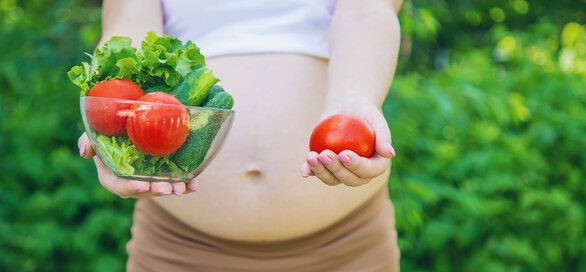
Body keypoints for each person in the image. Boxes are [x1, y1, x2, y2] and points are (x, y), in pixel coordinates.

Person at [77, 0, 403, 270]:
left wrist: (355, 102)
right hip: (176, 249)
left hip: (346, 248)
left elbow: (367, 12)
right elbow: (127, 33)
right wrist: (109, 121)